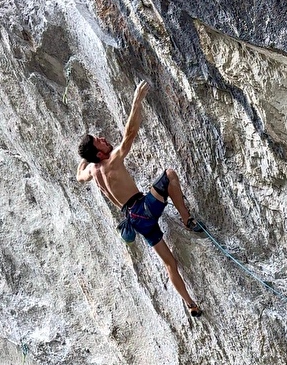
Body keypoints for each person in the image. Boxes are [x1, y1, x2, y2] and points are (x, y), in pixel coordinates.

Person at [76, 81, 203, 316]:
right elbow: (130, 134)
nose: (103, 138)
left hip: (134, 220)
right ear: (101, 153)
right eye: (99, 141)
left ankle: (191, 304)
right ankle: (188, 221)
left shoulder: (92, 172)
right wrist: (136, 101)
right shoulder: (111, 159)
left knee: (169, 263)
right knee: (169, 175)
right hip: (143, 208)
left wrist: (84, 162)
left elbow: (79, 176)